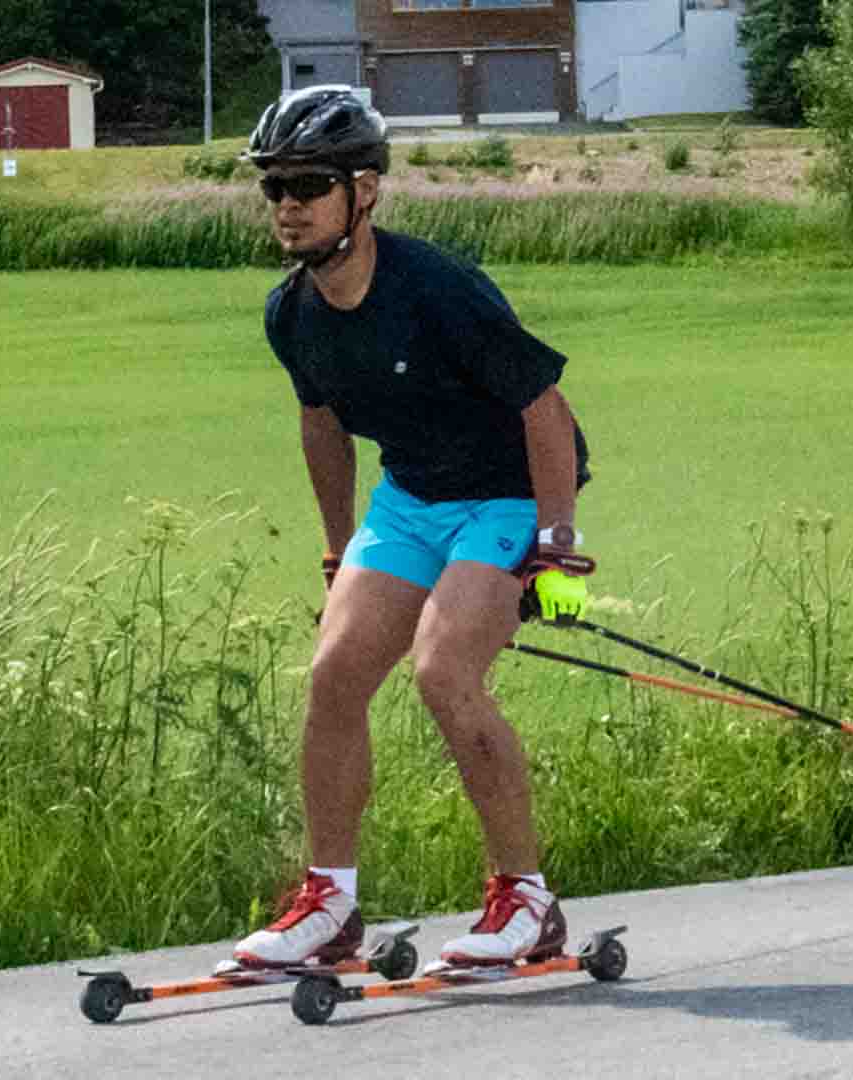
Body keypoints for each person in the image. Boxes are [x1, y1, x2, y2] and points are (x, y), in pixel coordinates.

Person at [227, 86, 593, 974]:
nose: (287, 205)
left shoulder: (437, 290)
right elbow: (320, 423)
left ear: (365, 192)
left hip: (507, 491)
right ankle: (330, 904)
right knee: (334, 673)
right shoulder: (292, 311)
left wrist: (555, 548)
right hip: (411, 498)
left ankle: (525, 900)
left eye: (307, 185)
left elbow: (544, 412)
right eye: (272, 187)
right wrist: (333, 545)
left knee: (442, 672)